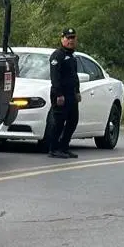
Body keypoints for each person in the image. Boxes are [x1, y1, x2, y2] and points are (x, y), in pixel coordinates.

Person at [47, 27, 81, 159]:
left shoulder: (72, 56)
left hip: (71, 94)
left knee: (73, 121)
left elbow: (74, 76)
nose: (71, 40)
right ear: (62, 39)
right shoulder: (58, 55)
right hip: (61, 95)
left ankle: (64, 147)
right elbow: (55, 77)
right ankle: (54, 148)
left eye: (73, 38)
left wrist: (77, 92)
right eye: (68, 38)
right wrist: (59, 94)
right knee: (59, 122)